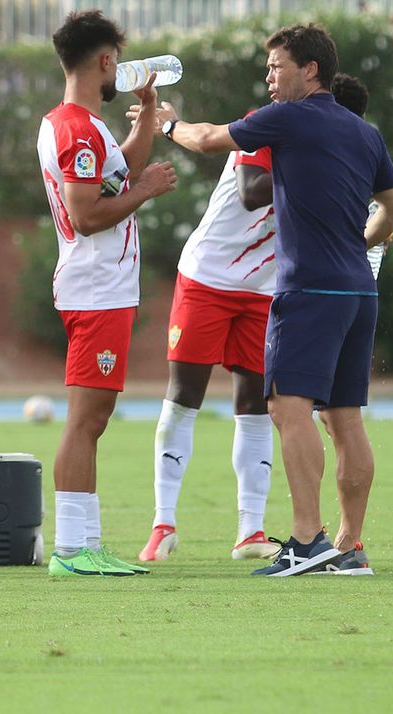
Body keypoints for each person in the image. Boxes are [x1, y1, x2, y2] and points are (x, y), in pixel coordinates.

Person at [157, 23, 393, 577]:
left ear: (310, 70)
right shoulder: (365, 133)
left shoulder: (289, 118)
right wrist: (358, 244)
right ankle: (350, 545)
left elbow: (206, 139)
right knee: (345, 419)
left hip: (308, 289)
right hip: (358, 290)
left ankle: (305, 540)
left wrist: (169, 123)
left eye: (276, 66)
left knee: (287, 410)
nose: (269, 77)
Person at [38, 11, 177, 580]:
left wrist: (147, 112)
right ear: (103, 60)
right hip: (95, 288)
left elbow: (121, 171)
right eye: (117, 60)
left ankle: (86, 544)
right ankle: (72, 549)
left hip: (100, 288)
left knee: (92, 419)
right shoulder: (77, 130)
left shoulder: (80, 125)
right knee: (86, 420)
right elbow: (87, 214)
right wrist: (147, 190)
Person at [137, 104, 277, 564]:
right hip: (208, 277)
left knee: (255, 404)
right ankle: (163, 524)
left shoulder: (333, 143)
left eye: (277, 69)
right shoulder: (268, 122)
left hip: (265, 288)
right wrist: (323, 177)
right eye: (272, 69)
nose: (271, 76)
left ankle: (251, 531)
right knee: (184, 396)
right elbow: (252, 191)